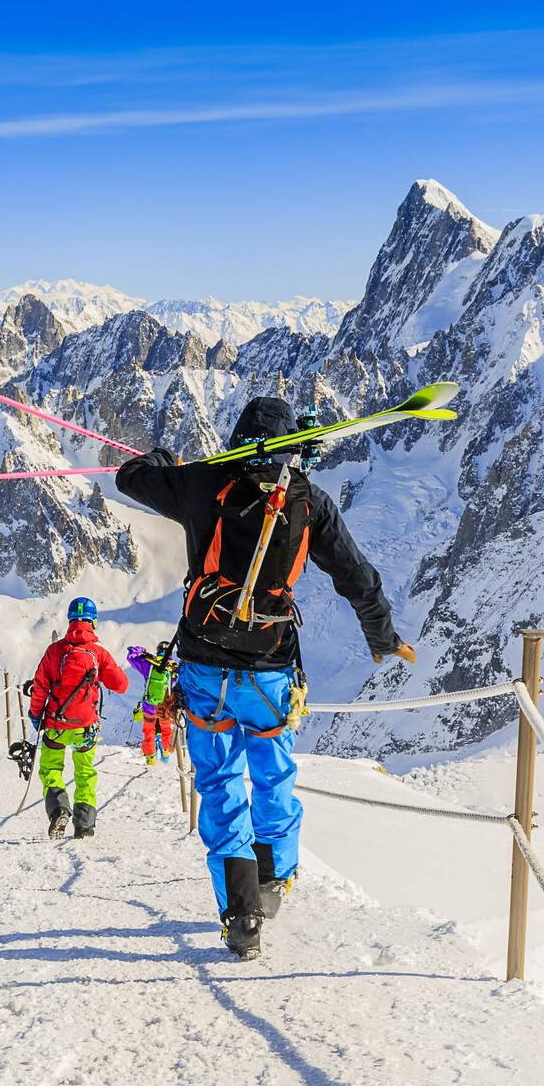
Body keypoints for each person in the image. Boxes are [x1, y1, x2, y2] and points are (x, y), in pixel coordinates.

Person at [116, 396, 414, 959]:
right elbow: (357, 574)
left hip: (205, 665)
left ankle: (241, 912)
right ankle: (275, 879)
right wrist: (381, 635)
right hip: (270, 669)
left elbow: (131, 478)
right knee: (272, 774)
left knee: (220, 784)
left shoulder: (203, 482)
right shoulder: (307, 500)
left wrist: (162, 460)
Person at [27, 597, 129, 840]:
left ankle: (59, 808)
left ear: (70, 620)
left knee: (51, 768)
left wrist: (35, 714)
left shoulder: (54, 651)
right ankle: (84, 825)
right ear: (93, 621)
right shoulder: (98, 653)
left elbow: (40, 686)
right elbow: (122, 685)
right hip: (86, 726)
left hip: (55, 724)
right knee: (85, 772)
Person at [125, 641, 179, 766]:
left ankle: (150, 758)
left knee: (148, 732)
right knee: (166, 731)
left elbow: (131, 656)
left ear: (158, 650)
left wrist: (140, 649)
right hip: (165, 708)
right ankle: (165, 754)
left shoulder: (149, 664)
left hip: (149, 706)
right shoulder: (174, 668)